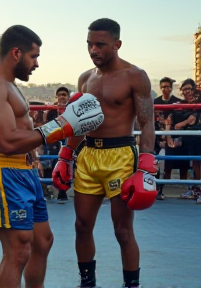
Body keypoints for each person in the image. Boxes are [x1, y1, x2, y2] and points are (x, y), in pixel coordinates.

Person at [0, 24, 104, 288]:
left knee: (42, 242)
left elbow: (23, 132)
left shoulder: (9, 86)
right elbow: (7, 141)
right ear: (17, 53)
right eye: (34, 57)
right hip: (3, 172)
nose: (37, 64)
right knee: (17, 252)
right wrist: (61, 126)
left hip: (25, 174)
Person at [52, 18, 157, 288]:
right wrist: (66, 155)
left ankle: (131, 285)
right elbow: (79, 120)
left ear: (117, 44)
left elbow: (146, 121)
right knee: (82, 226)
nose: (93, 50)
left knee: (123, 231)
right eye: (89, 44)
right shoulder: (85, 79)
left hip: (121, 156)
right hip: (88, 156)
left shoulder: (135, 75)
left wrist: (145, 163)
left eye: (100, 44)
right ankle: (87, 282)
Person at [154, 77, 181, 200]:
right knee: (154, 163)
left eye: (168, 86)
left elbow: (180, 119)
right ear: (160, 88)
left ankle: (162, 189)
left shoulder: (177, 102)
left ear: (171, 88)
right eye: (163, 86)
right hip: (157, 137)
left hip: (172, 138)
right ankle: (155, 189)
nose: (165, 89)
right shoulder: (155, 102)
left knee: (168, 165)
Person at [46, 86, 71, 201]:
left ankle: (63, 190)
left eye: (64, 95)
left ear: (68, 97)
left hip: (70, 138)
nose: (62, 97)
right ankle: (58, 189)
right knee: (55, 158)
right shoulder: (51, 110)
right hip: (55, 139)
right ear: (57, 96)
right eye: (60, 94)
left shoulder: (72, 108)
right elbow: (47, 126)